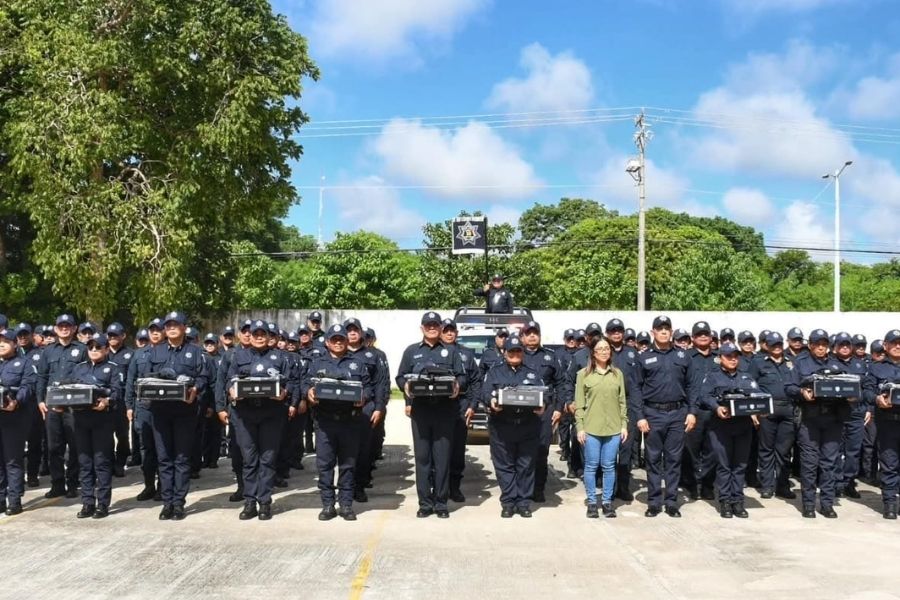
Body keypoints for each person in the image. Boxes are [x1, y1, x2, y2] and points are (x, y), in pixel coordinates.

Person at [219, 320, 298, 521]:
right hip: (245, 414)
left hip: (272, 413)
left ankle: (264, 503)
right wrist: (231, 391)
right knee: (249, 460)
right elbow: (229, 380)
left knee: (268, 459)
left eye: (263, 334)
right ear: (250, 336)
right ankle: (249, 502)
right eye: (255, 334)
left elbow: (290, 382)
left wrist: (284, 394)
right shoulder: (239, 356)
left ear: (269, 336)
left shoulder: (280, 357)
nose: (259, 337)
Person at [395, 312, 466, 519]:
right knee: (423, 459)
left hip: (445, 411)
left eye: (435, 325)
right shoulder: (411, 351)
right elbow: (400, 377)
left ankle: (441, 503)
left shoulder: (451, 352)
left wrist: (457, 386)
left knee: (442, 458)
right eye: (428, 325)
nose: (432, 328)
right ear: (422, 328)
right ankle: (425, 503)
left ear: (441, 328)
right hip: (422, 411)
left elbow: (462, 376)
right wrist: (405, 386)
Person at [303, 324, 374, 521]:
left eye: (340, 339)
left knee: (348, 465)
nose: (337, 342)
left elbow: (368, 388)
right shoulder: (317, 364)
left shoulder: (357, 363)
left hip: (349, 421)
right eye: (333, 339)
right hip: (325, 422)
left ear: (346, 341)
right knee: (324, 465)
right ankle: (327, 504)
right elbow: (306, 384)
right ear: (327, 342)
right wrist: (308, 393)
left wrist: (364, 397)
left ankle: (346, 504)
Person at [143, 311, 208, 521]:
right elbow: (146, 377)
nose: (171, 328)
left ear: (184, 327)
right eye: (168, 325)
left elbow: (204, 377)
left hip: (184, 411)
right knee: (164, 458)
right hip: (160, 411)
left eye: (175, 324)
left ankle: (179, 503)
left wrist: (195, 391)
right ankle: (167, 502)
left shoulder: (195, 352)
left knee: (181, 458)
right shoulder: (155, 351)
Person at [632, 316, 697, 518]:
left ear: (671, 331)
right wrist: (640, 416)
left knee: (673, 460)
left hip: (678, 414)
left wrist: (692, 412)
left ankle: (671, 502)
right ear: (652, 332)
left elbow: (692, 386)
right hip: (652, 414)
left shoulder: (683, 356)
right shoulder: (643, 357)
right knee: (652, 459)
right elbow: (635, 389)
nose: (663, 332)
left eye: (666, 328)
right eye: (659, 329)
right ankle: (653, 502)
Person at [785, 329, 850, 518]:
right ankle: (808, 504)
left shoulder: (837, 365)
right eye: (817, 344)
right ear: (811, 345)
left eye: (824, 344)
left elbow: (851, 386)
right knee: (809, 463)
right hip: (810, 420)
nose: (821, 347)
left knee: (829, 463)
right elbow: (788, 387)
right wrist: (802, 393)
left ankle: (827, 504)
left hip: (833, 419)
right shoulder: (800, 363)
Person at [482, 336, 545, 518]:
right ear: (504, 352)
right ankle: (509, 502)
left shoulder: (533, 372)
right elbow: (485, 392)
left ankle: (524, 502)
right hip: (502, 426)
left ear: (522, 353)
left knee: (525, 466)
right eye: (511, 351)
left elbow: (545, 394)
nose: (515, 354)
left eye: (518, 351)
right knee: (504, 466)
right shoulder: (494, 372)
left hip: (527, 426)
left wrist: (544, 405)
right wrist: (491, 401)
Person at [697, 342, 757, 518]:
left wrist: (758, 410)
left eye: (735, 356)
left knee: (739, 465)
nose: (732, 359)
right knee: (724, 466)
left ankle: (737, 501)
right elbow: (704, 396)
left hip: (743, 426)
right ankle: (725, 502)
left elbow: (758, 394)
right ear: (720, 358)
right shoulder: (713, 377)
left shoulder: (746, 378)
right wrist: (716, 407)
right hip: (721, 426)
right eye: (729, 356)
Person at [69, 334, 123, 519]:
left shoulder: (112, 369)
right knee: (84, 462)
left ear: (106, 350)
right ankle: (87, 503)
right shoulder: (78, 369)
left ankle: (102, 504)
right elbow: (71, 389)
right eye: (91, 347)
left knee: (102, 462)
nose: (94, 351)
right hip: (81, 419)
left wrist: (107, 401)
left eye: (98, 347)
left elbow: (117, 391)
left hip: (102, 420)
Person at [574, 336, 627, 518]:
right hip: (591, 428)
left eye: (607, 348)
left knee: (609, 466)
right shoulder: (583, 375)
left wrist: (624, 425)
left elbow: (622, 402)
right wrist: (580, 427)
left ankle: (606, 502)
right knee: (590, 466)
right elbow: (579, 404)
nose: (604, 352)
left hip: (613, 428)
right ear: (593, 353)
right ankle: (591, 502)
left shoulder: (617, 374)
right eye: (600, 349)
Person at [36, 313, 86, 499]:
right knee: (54, 447)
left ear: (74, 329)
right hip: (52, 406)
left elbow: (85, 375)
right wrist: (40, 401)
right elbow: (41, 377)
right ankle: (57, 484)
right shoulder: (48, 351)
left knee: (74, 446)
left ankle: (73, 483)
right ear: (56, 329)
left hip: (73, 407)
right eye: (61, 326)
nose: (64, 328)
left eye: (68, 326)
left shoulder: (81, 349)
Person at [519, 321, 565, 504]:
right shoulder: (516, 355)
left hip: (545, 411)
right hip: (520, 412)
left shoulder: (550, 357)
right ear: (522, 337)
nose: (532, 336)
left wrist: (559, 408)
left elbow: (561, 383)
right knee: (521, 451)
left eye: (535, 333)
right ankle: (522, 488)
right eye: (528, 333)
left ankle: (538, 489)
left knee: (541, 451)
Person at [749, 332, 797, 499]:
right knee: (766, 450)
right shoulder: (758, 363)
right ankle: (767, 486)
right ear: (766, 346)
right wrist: (754, 411)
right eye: (773, 344)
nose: (776, 346)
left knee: (784, 451)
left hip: (788, 410)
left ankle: (782, 486)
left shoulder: (791, 362)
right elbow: (750, 386)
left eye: (779, 343)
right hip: (766, 410)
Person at [440, 319, 480, 503]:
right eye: (446, 330)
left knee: (457, 450)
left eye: (452, 331)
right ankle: (438, 486)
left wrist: (472, 405)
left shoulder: (466, 354)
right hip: (436, 405)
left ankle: (454, 488)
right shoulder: (432, 351)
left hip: (460, 404)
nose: (449, 334)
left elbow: (475, 381)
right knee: (438, 448)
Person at [125, 317, 163, 501]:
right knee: (146, 449)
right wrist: (129, 406)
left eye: (158, 329)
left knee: (163, 448)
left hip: (163, 407)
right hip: (143, 408)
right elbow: (130, 381)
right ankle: (149, 485)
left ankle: (163, 487)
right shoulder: (139, 354)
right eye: (152, 330)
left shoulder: (168, 352)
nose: (155, 333)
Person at [863, 329, 900, 518]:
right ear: (885, 346)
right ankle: (890, 504)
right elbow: (867, 391)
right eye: (894, 343)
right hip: (887, 423)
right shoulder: (876, 368)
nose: (898, 346)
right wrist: (877, 399)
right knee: (889, 464)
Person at [0, 328, 37, 515]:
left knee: (12, 461)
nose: (1, 344)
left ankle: (14, 501)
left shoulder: (24, 363)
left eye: (5, 341)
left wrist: (16, 402)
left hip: (13, 418)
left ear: (15, 343)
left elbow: (28, 387)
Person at [682, 321, 718, 501]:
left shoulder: (719, 358)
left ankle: (707, 486)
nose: (703, 337)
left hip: (714, 411)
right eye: (699, 334)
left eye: (706, 334)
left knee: (712, 451)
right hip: (693, 410)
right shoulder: (686, 357)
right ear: (693, 338)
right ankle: (692, 486)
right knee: (691, 451)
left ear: (711, 337)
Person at [106, 322, 133, 477]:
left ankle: (120, 462)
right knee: (106, 434)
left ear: (123, 336)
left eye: (116, 335)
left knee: (122, 434)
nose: (112, 338)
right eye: (110, 335)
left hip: (121, 400)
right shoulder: (102, 351)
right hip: (106, 399)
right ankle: (109, 462)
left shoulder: (130, 354)